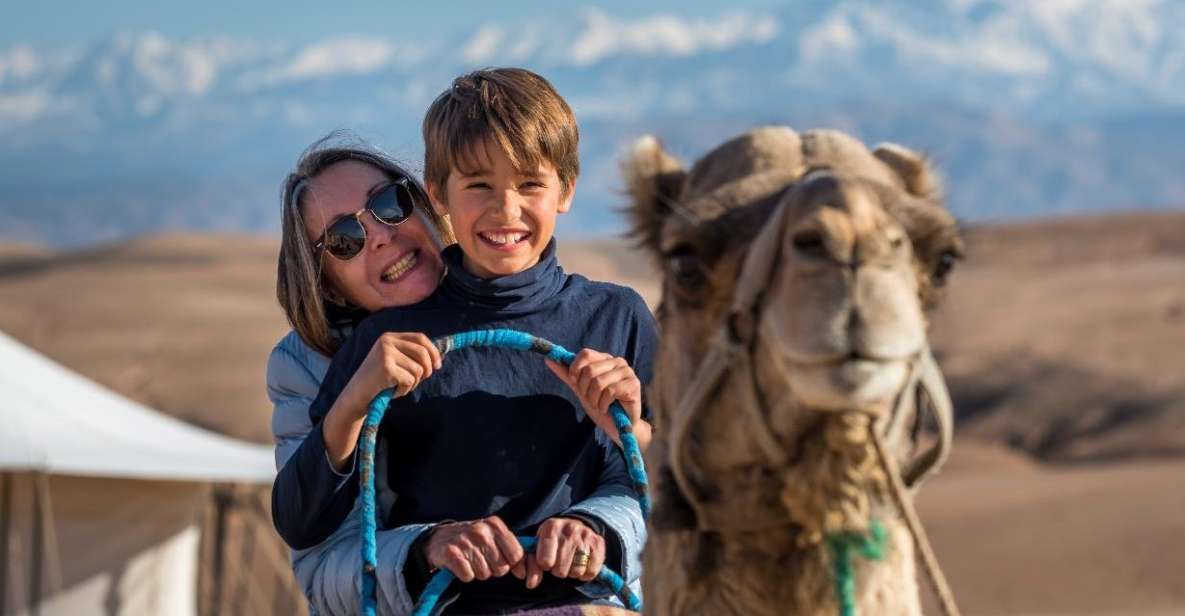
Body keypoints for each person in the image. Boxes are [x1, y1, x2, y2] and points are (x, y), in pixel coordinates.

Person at [271, 68, 657, 614]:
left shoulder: (618, 318)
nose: (505, 209)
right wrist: (355, 401)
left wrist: (629, 433)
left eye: (530, 183)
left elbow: (689, 491)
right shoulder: (383, 346)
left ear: (566, 189)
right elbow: (303, 523)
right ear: (440, 192)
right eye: (478, 185)